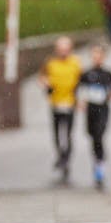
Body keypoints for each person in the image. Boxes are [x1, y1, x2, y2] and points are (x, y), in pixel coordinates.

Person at [38, 36, 82, 183]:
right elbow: (42, 77)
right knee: (57, 133)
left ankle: (65, 158)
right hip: (55, 102)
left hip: (70, 103)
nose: (63, 52)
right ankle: (60, 155)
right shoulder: (50, 63)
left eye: (66, 49)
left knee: (68, 133)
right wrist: (45, 83)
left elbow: (81, 81)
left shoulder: (75, 63)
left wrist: (80, 99)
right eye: (61, 49)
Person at [78, 43, 111, 189]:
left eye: (99, 55)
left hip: (103, 109)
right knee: (92, 135)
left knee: (99, 134)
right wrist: (81, 101)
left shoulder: (108, 74)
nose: (97, 57)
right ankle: (97, 160)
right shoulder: (86, 74)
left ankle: (100, 164)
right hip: (91, 109)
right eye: (94, 54)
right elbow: (80, 89)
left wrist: (109, 93)